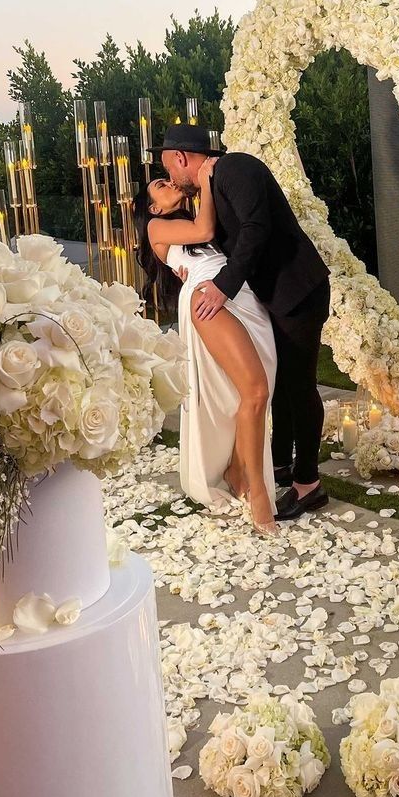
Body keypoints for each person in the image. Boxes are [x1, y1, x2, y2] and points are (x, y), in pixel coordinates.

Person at [160, 123, 331, 521]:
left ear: (182, 157)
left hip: (298, 291)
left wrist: (222, 287)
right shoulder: (209, 188)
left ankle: (309, 485)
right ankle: (281, 465)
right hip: (273, 297)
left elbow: (256, 229)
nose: (171, 178)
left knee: (300, 386)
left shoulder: (236, 167)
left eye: (170, 169)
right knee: (282, 384)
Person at [136, 156, 278, 535]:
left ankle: (237, 469)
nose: (169, 184)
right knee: (255, 389)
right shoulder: (157, 227)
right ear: (153, 208)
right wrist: (205, 178)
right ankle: (259, 492)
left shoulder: (192, 216)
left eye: (168, 179)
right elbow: (204, 228)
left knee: (250, 392)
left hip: (241, 294)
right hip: (207, 296)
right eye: (161, 187)